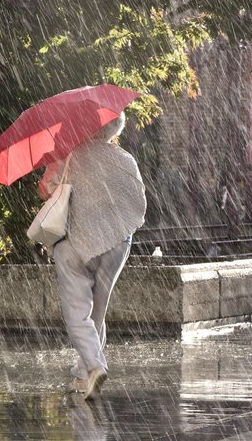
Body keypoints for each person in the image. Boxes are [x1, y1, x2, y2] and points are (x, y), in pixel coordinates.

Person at [37, 112, 146, 400]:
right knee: (97, 311)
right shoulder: (126, 160)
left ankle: (95, 367)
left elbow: (47, 190)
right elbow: (137, 203)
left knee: (77, 314)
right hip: (115, 244)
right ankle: (83, 374)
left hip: (74, 241)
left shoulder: (71, 156)